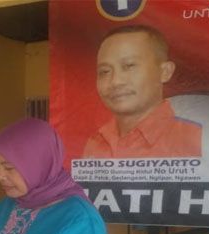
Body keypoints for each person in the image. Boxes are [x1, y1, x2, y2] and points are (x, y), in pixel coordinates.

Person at [83, 25, 202, 158]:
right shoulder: (96, 142)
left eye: (129, 66)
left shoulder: (197, 139)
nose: (115, 81)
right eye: (104, 72)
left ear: (165, 72)